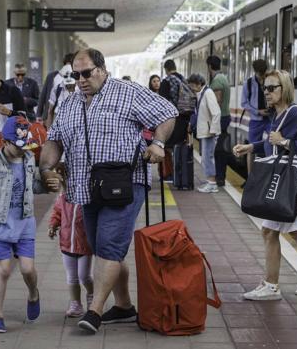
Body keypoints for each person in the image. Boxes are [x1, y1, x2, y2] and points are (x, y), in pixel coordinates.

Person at [40, 48, 177, 333]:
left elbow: (167, 113)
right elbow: (54, 139)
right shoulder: (69, 102)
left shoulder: (128, 92)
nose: (81, 80)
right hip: (85, 188)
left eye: (86, 73)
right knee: (104, 249)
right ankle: (125, 307)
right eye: (76, 75)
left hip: (124, 184)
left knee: (109, 248)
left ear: (102, 69)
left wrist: (158, 143)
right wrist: (46, 169)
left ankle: (95, 311)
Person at [233, 69, 297, 300]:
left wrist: (285, 141)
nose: (266, 92)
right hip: (286, 184)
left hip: (288, 184)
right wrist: (251, 147)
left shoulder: (294, 114)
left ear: (284, 88)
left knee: (269, 231)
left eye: (271, 88)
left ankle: (272, 286)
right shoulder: (276, 115)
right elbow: (271, 145)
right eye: (265, 88)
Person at [0, 116, 47, 333]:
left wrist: (49, 183)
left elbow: (36, 186)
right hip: (0, 224)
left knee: (27, 269)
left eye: (25, 145)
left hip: (25, 223)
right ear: (5, 142)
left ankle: (33, 293)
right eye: (17, 146)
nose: (22, 150)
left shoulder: (29, 159)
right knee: (3, 271)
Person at [48, 164, 94, 317]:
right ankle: (76, 304)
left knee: (84, 276)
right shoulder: (63, 198)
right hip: (66, 244)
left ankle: (92, 295)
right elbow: (57, 213)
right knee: (72, 277)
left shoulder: (88, 199)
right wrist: (53, 225)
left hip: (85, 245)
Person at [187, 74, 220, 193]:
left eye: (192, 85)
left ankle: (212, 184)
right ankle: (209, 181)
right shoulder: (201, 93)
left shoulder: (208, 93)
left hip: (209, 132)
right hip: (205, 131)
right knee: (206, 157)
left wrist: (213, 130)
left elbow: (216, 112)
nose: (191, 88)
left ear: (199, 84)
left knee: (208, 157)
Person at [159, 59, 189, 181]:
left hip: (172, 119)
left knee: (167, 148)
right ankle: (181, 175)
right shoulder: (183, 80)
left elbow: (162, 102)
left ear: (166, 69)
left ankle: (169, 174)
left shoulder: (167, 81)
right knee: (181, 147)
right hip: (184, 119)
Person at [241, 59, 270, 174]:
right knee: (251, 149)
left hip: (270, 119)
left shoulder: (270, 81)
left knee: (273, 143)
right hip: (256, 120)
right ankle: (250, 177)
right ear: (255, 72)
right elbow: (244, 103)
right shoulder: (248, 83)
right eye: (260, 73)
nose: (262, 76)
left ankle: (270, 173)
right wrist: (258, 111)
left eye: (263, 73)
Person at [207, 55, 231, 187]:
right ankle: (220, 176)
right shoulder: (224, 78)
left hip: (219, 118)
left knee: (218, 149)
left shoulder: (217, 81)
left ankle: (219, 177)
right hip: (224, 117)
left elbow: (217, 101)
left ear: (210, 66)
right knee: (221, 148)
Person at [38, 53, 75, 122]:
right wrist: (39, 115)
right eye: (67, 65)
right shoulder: (53, 76)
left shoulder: (77, 78)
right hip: (53, 114)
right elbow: (43, 95)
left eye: (70, 65)